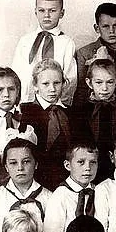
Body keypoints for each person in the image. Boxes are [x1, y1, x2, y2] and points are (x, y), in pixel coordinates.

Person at [12, 0, 77, 105]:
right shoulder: (25, 41)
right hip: (26, 101)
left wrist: (60, 105)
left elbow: (70, 79)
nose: (46, 15)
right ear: (35, 12)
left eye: (52, 11)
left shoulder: (67, 43)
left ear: (61, 13)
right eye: (42, 10)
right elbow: (17, 73)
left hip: (55, 104)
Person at [19, 58, 73, 190]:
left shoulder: (72, 113)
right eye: (45, 84)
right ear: (35, 85)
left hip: (67, 180)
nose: (52, 89)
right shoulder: (25, 112)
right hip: (37, 179)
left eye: (57, 83)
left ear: (63, 83)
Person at [74, 2, 116, 106]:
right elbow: (81, 90)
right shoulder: (84, 53)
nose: (111, 31)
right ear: (97, 28)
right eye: (105, 26)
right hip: (93, 108)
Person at [43, 141, 98, 232]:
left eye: (93, 162)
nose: (88, 168)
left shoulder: (98, 191)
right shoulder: (60, 196)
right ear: (68, 165)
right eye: (81, 162)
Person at [71, 58, 116, 183]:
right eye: (99, 82)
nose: (105, 88)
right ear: (89, 83)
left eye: (110, 82)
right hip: (90, 164)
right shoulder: (80, 110)